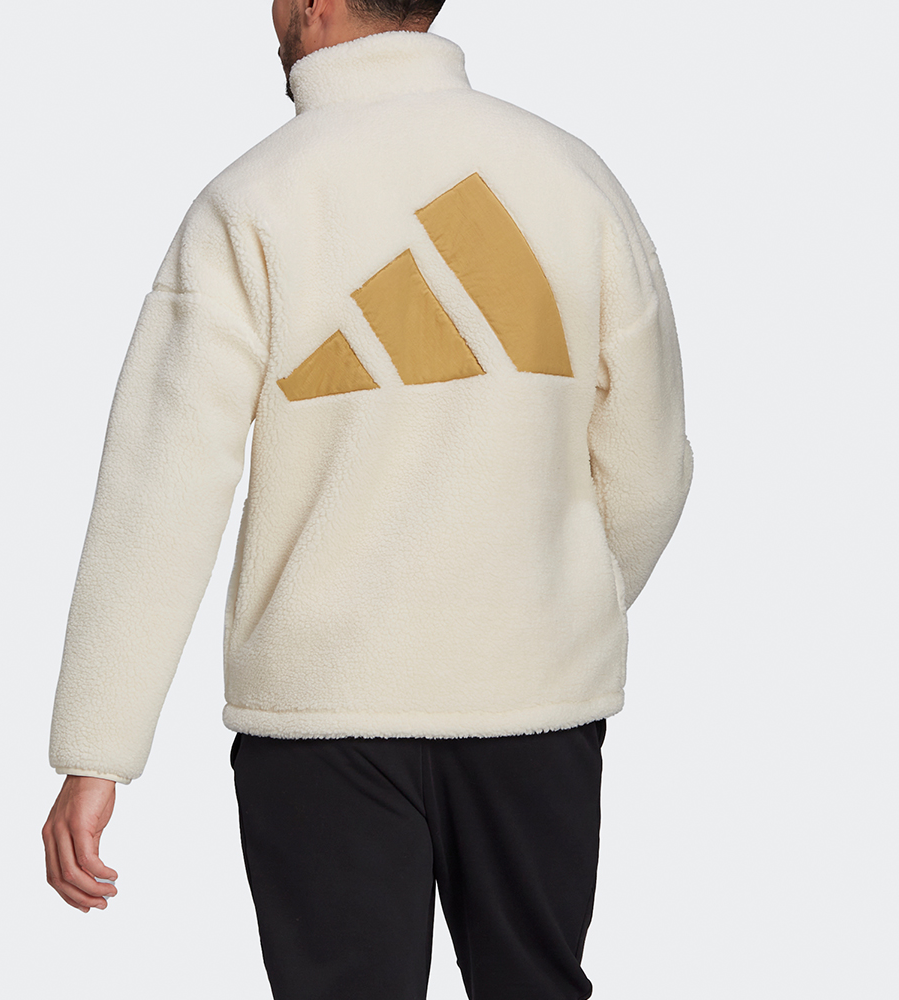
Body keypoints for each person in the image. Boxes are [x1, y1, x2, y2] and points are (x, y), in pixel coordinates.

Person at [42, 1, 693, 997]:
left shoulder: (251, 201)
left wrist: (98, 751)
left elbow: (160, 491)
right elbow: (647, 465)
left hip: (319, 717)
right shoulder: (572, 179)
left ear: (314, 3)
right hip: (534, 705)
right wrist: (557, 609)